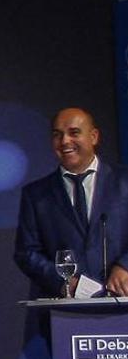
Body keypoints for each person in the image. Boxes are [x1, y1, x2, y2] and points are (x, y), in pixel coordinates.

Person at [14, 107, 128, 298]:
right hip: (62, 310)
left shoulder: (124, 182)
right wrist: (66, 283)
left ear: (94, 136)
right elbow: (26, 253)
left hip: (121, 303)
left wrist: (125, 266)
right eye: (58, 135)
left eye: (74, 133)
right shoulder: (36, 194)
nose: (65, 141)